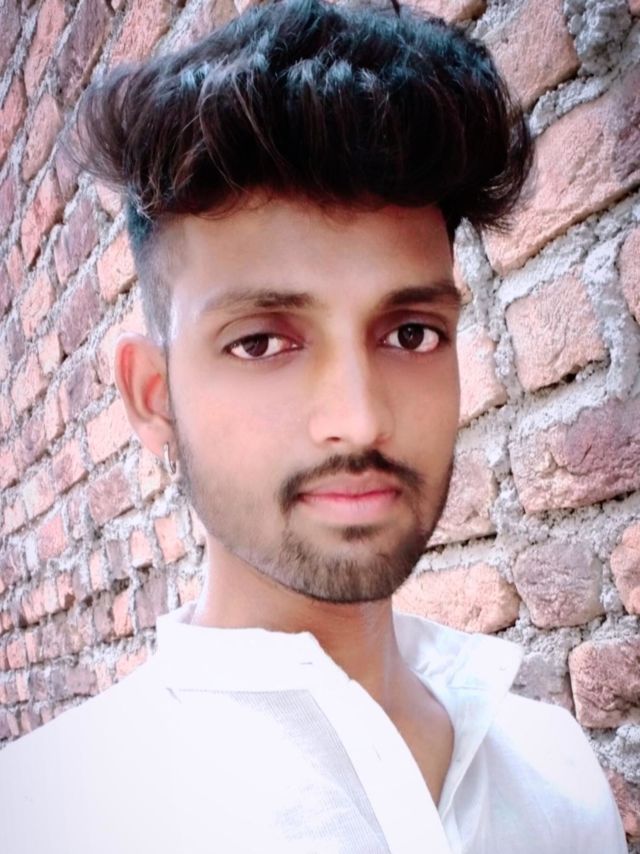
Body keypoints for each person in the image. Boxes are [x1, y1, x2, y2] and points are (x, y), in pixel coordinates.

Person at [0, 0, 628, 851]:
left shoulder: (559, 770)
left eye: (411, 334)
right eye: (262, 342)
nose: (359, 420)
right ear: (154, 397)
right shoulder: (43, 821)